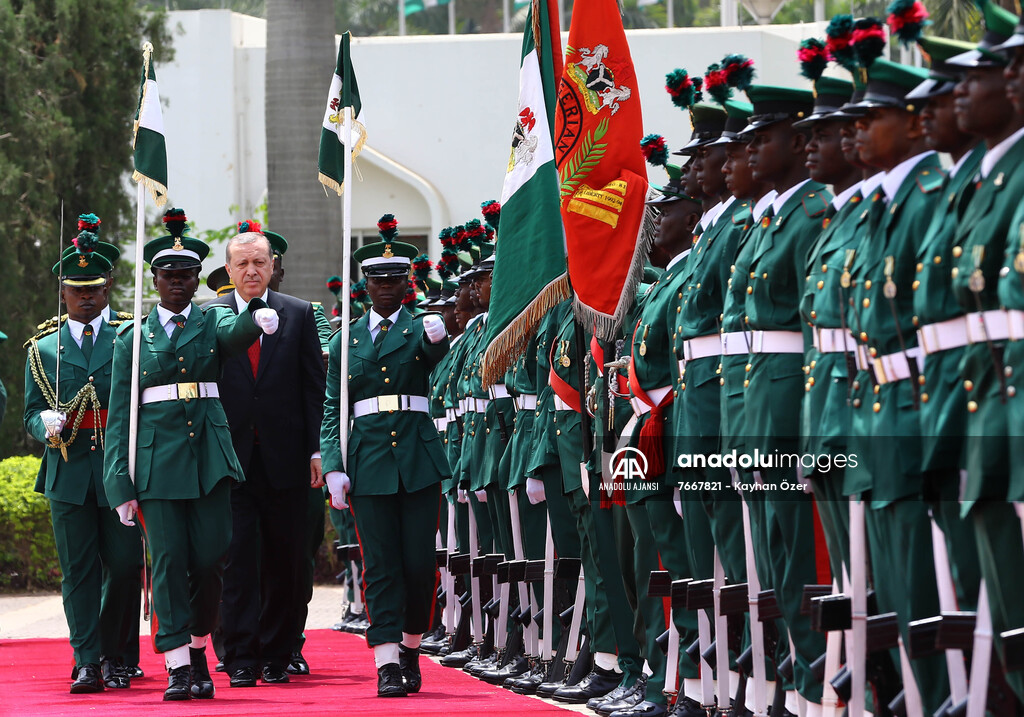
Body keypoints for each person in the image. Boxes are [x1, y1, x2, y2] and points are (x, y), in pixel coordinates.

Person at [104, 208, 280, 701]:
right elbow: (120, 416)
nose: (178, 282)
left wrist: (255, 319)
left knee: (210, 558)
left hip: (208, 458)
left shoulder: (213, 320)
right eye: (169, 275)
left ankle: (200, 643)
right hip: (156, 463)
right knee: (168, 560)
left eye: (186, 274)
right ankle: (179, 663)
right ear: (155, 281)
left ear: (198, 279)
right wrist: (119, 483)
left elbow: (232, 336)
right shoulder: (133, 338)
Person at [320, 214, 451, 698]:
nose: (386, 287)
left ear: (406, 283)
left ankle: (412, 646)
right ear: (365, 284)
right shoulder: (346, 338)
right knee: (380, 565)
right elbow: (333, 408)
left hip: (417, 458)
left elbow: (436, 360)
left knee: (418, 565)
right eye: (378, 279)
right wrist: (333, 464)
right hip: (369, 460)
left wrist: (439, 340)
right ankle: (387, 662)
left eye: (395, 279)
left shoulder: (422, 329)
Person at [204, 220, 326, 688]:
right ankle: (239, 655)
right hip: (230, 459)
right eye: (242, 264)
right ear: (229, 270)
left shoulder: (298, 313)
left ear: (273, 267)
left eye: (259, 262)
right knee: (235, 560)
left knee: (285, 559)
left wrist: (317, 449)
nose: (251, 270)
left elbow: (313, 388)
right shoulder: (210, 317)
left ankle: (277, 653)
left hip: (286, 457)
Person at [23, 218, 142, 694]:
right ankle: (88, 660)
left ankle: (114, 654)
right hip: (68, 471)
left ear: (107, 285)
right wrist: (44, 424)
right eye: (76, 289)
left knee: (125, 565)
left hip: (117, 471)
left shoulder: (130, 337)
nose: (85, 297)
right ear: (63, 292)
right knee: (78, 573)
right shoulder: (43, 349)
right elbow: (30, 412)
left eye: (93, 288)